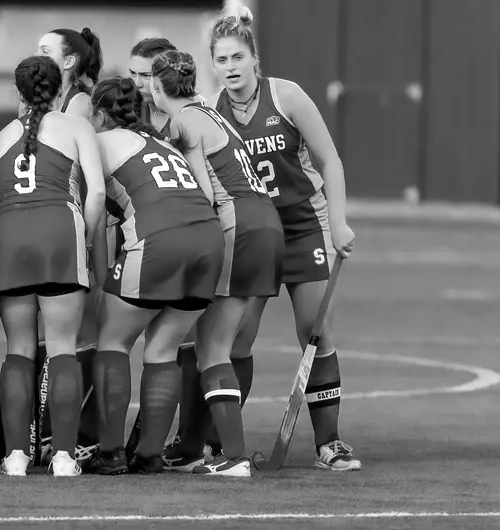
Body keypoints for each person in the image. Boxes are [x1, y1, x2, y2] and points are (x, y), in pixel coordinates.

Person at [209, 8, 361, 472]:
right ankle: (224, 447)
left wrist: (339, 222)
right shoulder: (213, 112)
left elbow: (330, 160)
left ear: (255, 59)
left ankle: (328, 444)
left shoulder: (286, 95)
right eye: (221, 59)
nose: (231, 66)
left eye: (238, 57)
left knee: (314, 332)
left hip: (302, 227)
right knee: (238, 338)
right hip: (254, 234)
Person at [151, 50, 283, 477]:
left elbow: (204, 195)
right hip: (267, 222)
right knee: (226, 344)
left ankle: (234, 456)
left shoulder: (184, 122)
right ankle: (202, 448)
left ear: (157, 87)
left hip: (238, 224)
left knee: (210, 347)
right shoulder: (210, 110)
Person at [83, 77, 224, 475]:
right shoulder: (161, 143)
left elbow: (92, 204)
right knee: (162, 350)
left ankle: (110, 452)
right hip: (208, 241)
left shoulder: (101, 142)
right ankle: (149, 455)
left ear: (99, 112)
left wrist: (95, 271)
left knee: (112, 342)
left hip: (160, 242)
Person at [0, 56, 105, 477]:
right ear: (61, 90)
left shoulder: (0, 138)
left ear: (19, 94)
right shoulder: (77, 126)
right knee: (62, 349)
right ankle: (64, 457)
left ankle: (16, 456)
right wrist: (90, 244)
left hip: (9, 237)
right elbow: (95, 194)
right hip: (59, 232)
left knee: (17, 349)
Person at [34, 28, 103, 119]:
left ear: (68, 62)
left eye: (45, 51)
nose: (36, 55)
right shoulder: (34, 96)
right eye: (38, 50)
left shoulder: (81, 105)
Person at [127, 38, 178, 136]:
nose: (137, 83)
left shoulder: (192, 117)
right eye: (133, 73)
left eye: (146, 75)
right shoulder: (129, 113)